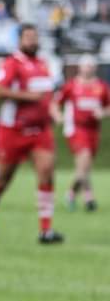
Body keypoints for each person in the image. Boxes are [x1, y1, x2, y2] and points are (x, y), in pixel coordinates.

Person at [0, 24, 63, 243]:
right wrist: (28, 96)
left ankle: (46, 230)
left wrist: (53, 111)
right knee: (3, 180)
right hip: (13, 131)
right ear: (20, 41)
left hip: (41, 130)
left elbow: (47, 95)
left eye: (35, 37)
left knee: (46, 172)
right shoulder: (12, 63)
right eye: (28, 38)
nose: (33, 41)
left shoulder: (43, 64)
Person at [53, 54, 109, 211]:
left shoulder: (102, 87)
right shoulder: (71, 86)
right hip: (76, 129)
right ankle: (89, 196)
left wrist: (103, 112)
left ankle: (71, 193)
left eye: (91, 65)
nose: (89, 68)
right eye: (86, 65)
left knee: (85, 167)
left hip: (94, 130)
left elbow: (108, 107)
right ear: (80, 67)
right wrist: (58, 116)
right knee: (84, 160)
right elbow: (56, 103)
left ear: (95, 68)